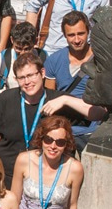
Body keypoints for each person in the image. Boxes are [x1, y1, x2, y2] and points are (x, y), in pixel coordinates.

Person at [0, 52, 102, 184]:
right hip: (8, 176)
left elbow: (98, 113)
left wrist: (66, 100)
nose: (27, 82)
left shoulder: (57, 101)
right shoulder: (5, 99)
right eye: (21, 78)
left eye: (31, 75)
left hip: (45, 180)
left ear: (42, 73)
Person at [41, 12, 102, 150]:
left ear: (88, 32)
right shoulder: (54, 60)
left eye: (81, 33)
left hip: (92, 129)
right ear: (64, 35)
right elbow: (50, 96)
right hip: (64, 132)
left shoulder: (101, 60)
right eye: (71, 35)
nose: (76, 40)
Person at [0, 21, 40, 116]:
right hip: (6, 114)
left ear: (36, 41)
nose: (22, 54)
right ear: (11, 40)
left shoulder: (43, 58)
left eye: (27, 49)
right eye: (18, 48)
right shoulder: (0, 60)